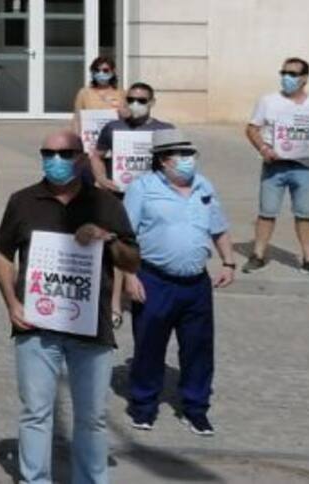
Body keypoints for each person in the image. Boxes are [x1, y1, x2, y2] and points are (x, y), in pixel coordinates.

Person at [0, 130, 140, 484]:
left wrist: (108, 239)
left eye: (64, 153)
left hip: (91, 328)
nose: (55, 160)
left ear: (81, 157)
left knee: (92, 417)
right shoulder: (22, 201)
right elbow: (3, 255)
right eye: (48, 153)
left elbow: (131, 261)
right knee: (35, 412)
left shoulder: (106, 203)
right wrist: (12, 303)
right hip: (36, 325)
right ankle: (34, 479)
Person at [123, 128, 236, 436]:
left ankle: (196, 409)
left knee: (199, 350)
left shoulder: (204, 187)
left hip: (196, 285)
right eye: (181, 155)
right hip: (154, 280)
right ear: (163, 160)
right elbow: (125, 237)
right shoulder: (142, 188)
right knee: (149, 347)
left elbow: (219, 228)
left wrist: (228, 261)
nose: (188, 160)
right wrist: (129, 275)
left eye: (191, 154)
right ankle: (144, 406)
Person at [243, 57, 309, 280]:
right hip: (273, 165)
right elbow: (251, 129)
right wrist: (263, 148)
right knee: (266, 213)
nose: (287, 77)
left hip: (303, 168)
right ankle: (258, 255)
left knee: (304, 214)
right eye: (284, 72)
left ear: (304, 78)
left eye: (293, 74)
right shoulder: (268, 101)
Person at [88, 82, 174, 330]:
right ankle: (115, 304)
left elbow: (176, 160)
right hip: (120, 197)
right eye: (132, 99)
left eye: (142, 100)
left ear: (152, 102)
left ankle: (148, 293)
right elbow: (96, 154)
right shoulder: (113, 128)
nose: (136, 104)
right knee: (118, 248)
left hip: (153, 198)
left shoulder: (164, 129)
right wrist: (102, 179)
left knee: (149, 246)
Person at [72, 55, 124, 133]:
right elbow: (77, 118)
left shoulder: (121, 93)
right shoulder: (84, 93)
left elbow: (126, 117)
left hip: (113, 136)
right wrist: (78, 136)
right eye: (97, 70)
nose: (101, 73)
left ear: (113, 72)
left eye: (105, 70)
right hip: (90, 138)